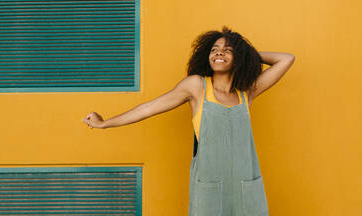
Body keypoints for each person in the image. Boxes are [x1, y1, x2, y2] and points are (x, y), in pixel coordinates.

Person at [83, 26, 295, 216]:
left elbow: (286, 59)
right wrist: (106, 122)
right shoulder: (196, 87)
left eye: (228, 49)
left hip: (246, 186)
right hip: (209, 188)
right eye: (214, 49)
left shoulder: (246, 92)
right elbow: (149, 108)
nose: (219, 52)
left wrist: (246, 55)